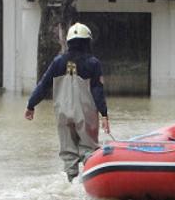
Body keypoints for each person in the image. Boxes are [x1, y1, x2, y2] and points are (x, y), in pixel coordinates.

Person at [24, 22, 110, 182]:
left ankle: (70, 184)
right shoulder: (93, 63)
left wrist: (31, 105)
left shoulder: (58, 62)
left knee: (68, 153)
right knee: (89, 150)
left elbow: (44, 85)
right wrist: (104, 115)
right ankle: (89, 185)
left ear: (69, 42)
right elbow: (97, 91)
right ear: (87, 42)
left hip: (62, 113)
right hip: (85, 114)